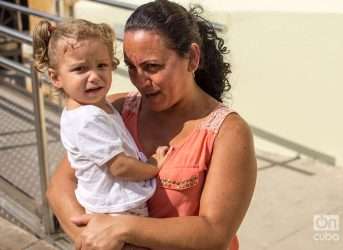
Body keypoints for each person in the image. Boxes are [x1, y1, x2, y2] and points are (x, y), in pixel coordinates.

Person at [46, 0, 257, 249]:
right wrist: (91, 238)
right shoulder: (114, 110)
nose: (140, 80)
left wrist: (122, 228)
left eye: (152, 67)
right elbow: (60, 187)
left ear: (192, 58)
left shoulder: (228, 133)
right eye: (132, 68)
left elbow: (214, 232)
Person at [33, 19, 167, 217]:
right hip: (119, 211)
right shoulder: (88, 118)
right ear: (56, 78)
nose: (94, 76)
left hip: (112, 207)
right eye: (80, 69)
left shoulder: (87, 109)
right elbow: (119, 167)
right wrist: (153, 165)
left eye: (101, 65)